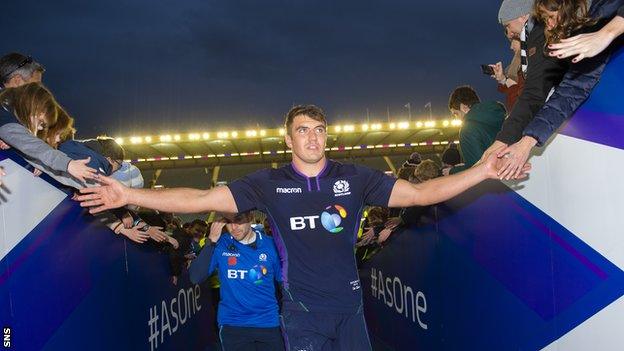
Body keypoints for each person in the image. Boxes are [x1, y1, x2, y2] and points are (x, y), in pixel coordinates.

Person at [76, 104, 529, 350]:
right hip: (301, 315)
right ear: (288, 139)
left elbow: (419, 194)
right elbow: (199, 199)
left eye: (319, 129)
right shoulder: (268, 185)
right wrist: (129, 195)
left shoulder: (355, 178)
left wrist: (481, 172)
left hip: (351, 311)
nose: (313, 136)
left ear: (326, 136)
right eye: (303, 130)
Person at [497, 0, 624, 180]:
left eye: (549, 17)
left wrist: (608, 32)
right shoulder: (582, 31)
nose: (548, 25)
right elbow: (572, 89)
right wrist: (526, 144)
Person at [482, 0, 570, 173]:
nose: (509, 33)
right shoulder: (534, 34)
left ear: (522, 16)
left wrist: (503, 139)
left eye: (508, 25)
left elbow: (533, 93)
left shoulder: (538, 32)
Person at [189, 212, 284, 351]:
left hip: (268, 323)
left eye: (238, 221)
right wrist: (211, 241)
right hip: (233, 325)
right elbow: (195, 277)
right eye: (229, 222)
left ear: (250, 218)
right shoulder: (221, 244)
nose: (233, 227)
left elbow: (285, 285)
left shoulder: (271, 245)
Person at [0, 82, 96, 183]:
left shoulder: (9, 116)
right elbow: (32, 146)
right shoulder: (6, 117)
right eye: (41, 122)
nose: (41, 128)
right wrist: (68, 164)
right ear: (35, 109)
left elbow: (27, 144)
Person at [447, 85, 506, 174]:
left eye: (456, 114)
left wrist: (453, 171)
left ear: (464, 107)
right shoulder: (500, 115)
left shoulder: (468, 129)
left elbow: (477, 169)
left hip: (497, 182)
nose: (456, 118)